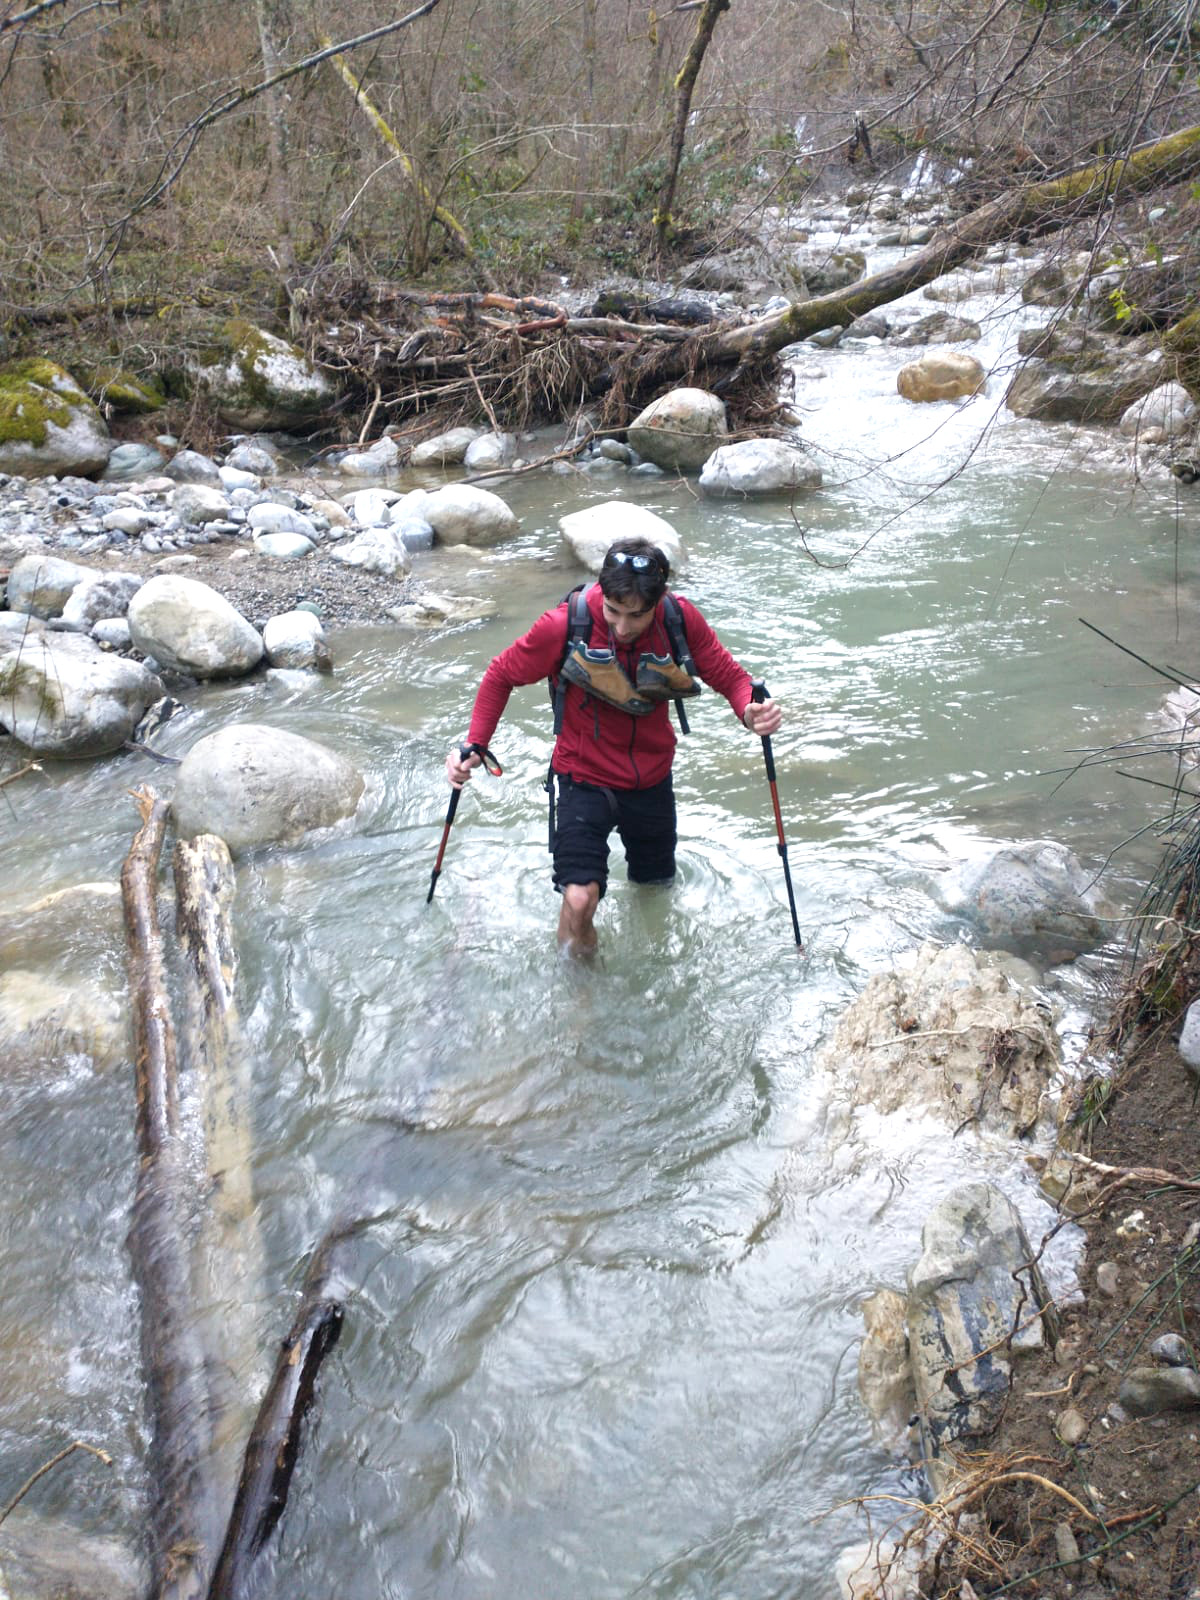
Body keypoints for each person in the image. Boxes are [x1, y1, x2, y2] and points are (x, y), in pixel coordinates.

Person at [445, 537, 782, 954]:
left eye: (636, 616)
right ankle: (582, 1003)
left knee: (655, 891)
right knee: (579, 898)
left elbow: (730, 676)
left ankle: (649, 972)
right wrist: (475, 743)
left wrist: (751, 710)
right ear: (601, 592)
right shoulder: (564, 627)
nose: (622, 628)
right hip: (582, 779)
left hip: (652, 784)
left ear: (658, 603)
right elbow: (501, 674)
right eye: (613, 612)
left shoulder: (678, 620)